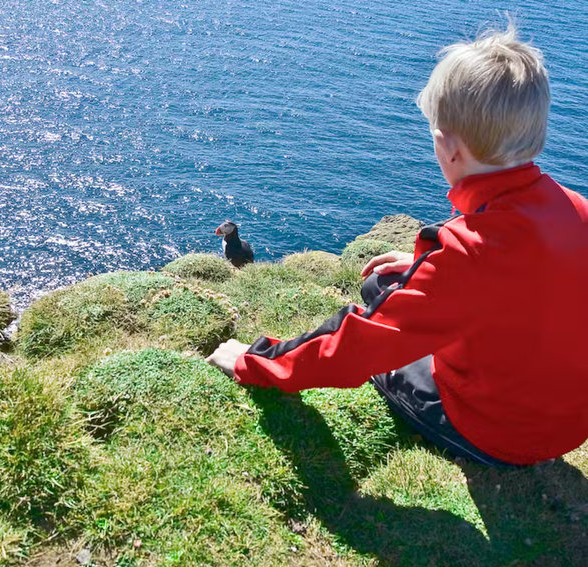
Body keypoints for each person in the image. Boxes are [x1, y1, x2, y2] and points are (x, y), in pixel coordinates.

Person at [206, 24, 588, 467]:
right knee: (384, 282)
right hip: (564, 421)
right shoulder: (575, 209)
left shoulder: (473, 254)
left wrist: (255, 361)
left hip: (502, 434)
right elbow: (531, 278)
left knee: (382, 339)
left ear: (449, 149)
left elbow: (357, 347)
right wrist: (428, 265)